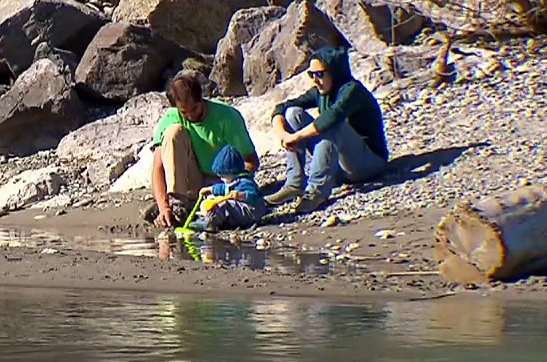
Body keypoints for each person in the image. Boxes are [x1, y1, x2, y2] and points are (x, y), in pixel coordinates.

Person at [265, 46, 388, 214]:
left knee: (331, 124)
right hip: (339, 165)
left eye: (320, 74)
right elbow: (282, 107)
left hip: (368, 164)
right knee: (293, 113)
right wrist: (283, 135)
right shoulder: (321, 92)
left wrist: (296, 137)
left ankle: (316, 192)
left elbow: (331, 117)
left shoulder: (352, 90)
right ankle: (294, 184)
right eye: (311, 74)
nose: (315, 80)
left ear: (334, 72)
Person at [147, 72, 259, 227]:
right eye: (184, 112)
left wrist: (232, 185)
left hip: (221, 180)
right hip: (190, 180)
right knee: (173, 132)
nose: (191, 115)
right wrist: (163, 206)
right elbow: (158, 168)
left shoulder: (227, 117)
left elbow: (250, 160)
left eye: (194, 109)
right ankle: (176, 205)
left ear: (201, 98)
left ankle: (196, 207)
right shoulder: (171, 117)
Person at [194, 145, 266, 231]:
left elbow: (253, 196)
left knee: (223, 204)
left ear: (232, 173)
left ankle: (211, 222)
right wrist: (210, 189)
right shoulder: (231, 181)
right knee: (211, 199)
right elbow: (223, 188)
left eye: (223, 176)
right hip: (240, 211)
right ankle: (208, 217)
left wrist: (240, 195)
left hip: (251, 211)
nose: (221, 178)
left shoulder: (245, 182)